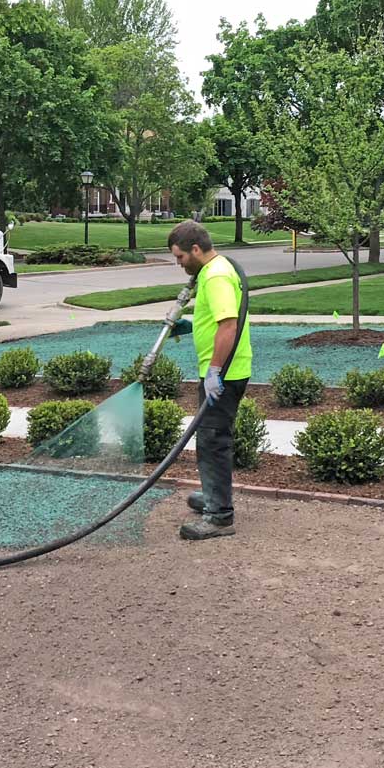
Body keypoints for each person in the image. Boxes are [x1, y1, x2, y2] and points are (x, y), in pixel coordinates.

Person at [166, 220, 252, 541]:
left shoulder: (215, 276)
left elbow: (228, 325)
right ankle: (213, 495)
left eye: (180, 257)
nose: (179, 263)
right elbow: (217, 319)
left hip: (224, 374)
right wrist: (191, 326)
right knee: (211, 437)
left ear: (195, 249)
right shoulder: (216, 269)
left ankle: (219, 516)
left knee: (213, 441)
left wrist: (215, 371)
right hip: (225, 370)